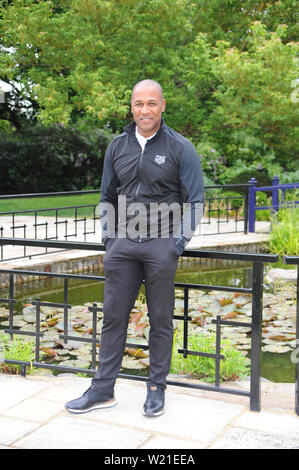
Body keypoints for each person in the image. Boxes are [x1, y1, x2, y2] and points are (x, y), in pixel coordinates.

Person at [65, 79, 204, 417]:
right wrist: (109, 239)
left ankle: (156, 388)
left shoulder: (179, 147)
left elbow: (196, 200)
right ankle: (102, 389)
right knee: (113, 318)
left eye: (151, 103)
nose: (145, 110)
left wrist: (176, 245)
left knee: (160, 320)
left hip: (161, 244)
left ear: (162, 105)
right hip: (123, 245)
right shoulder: (117, 146)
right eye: (139, 104)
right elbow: (106, 196)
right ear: (132, 106)